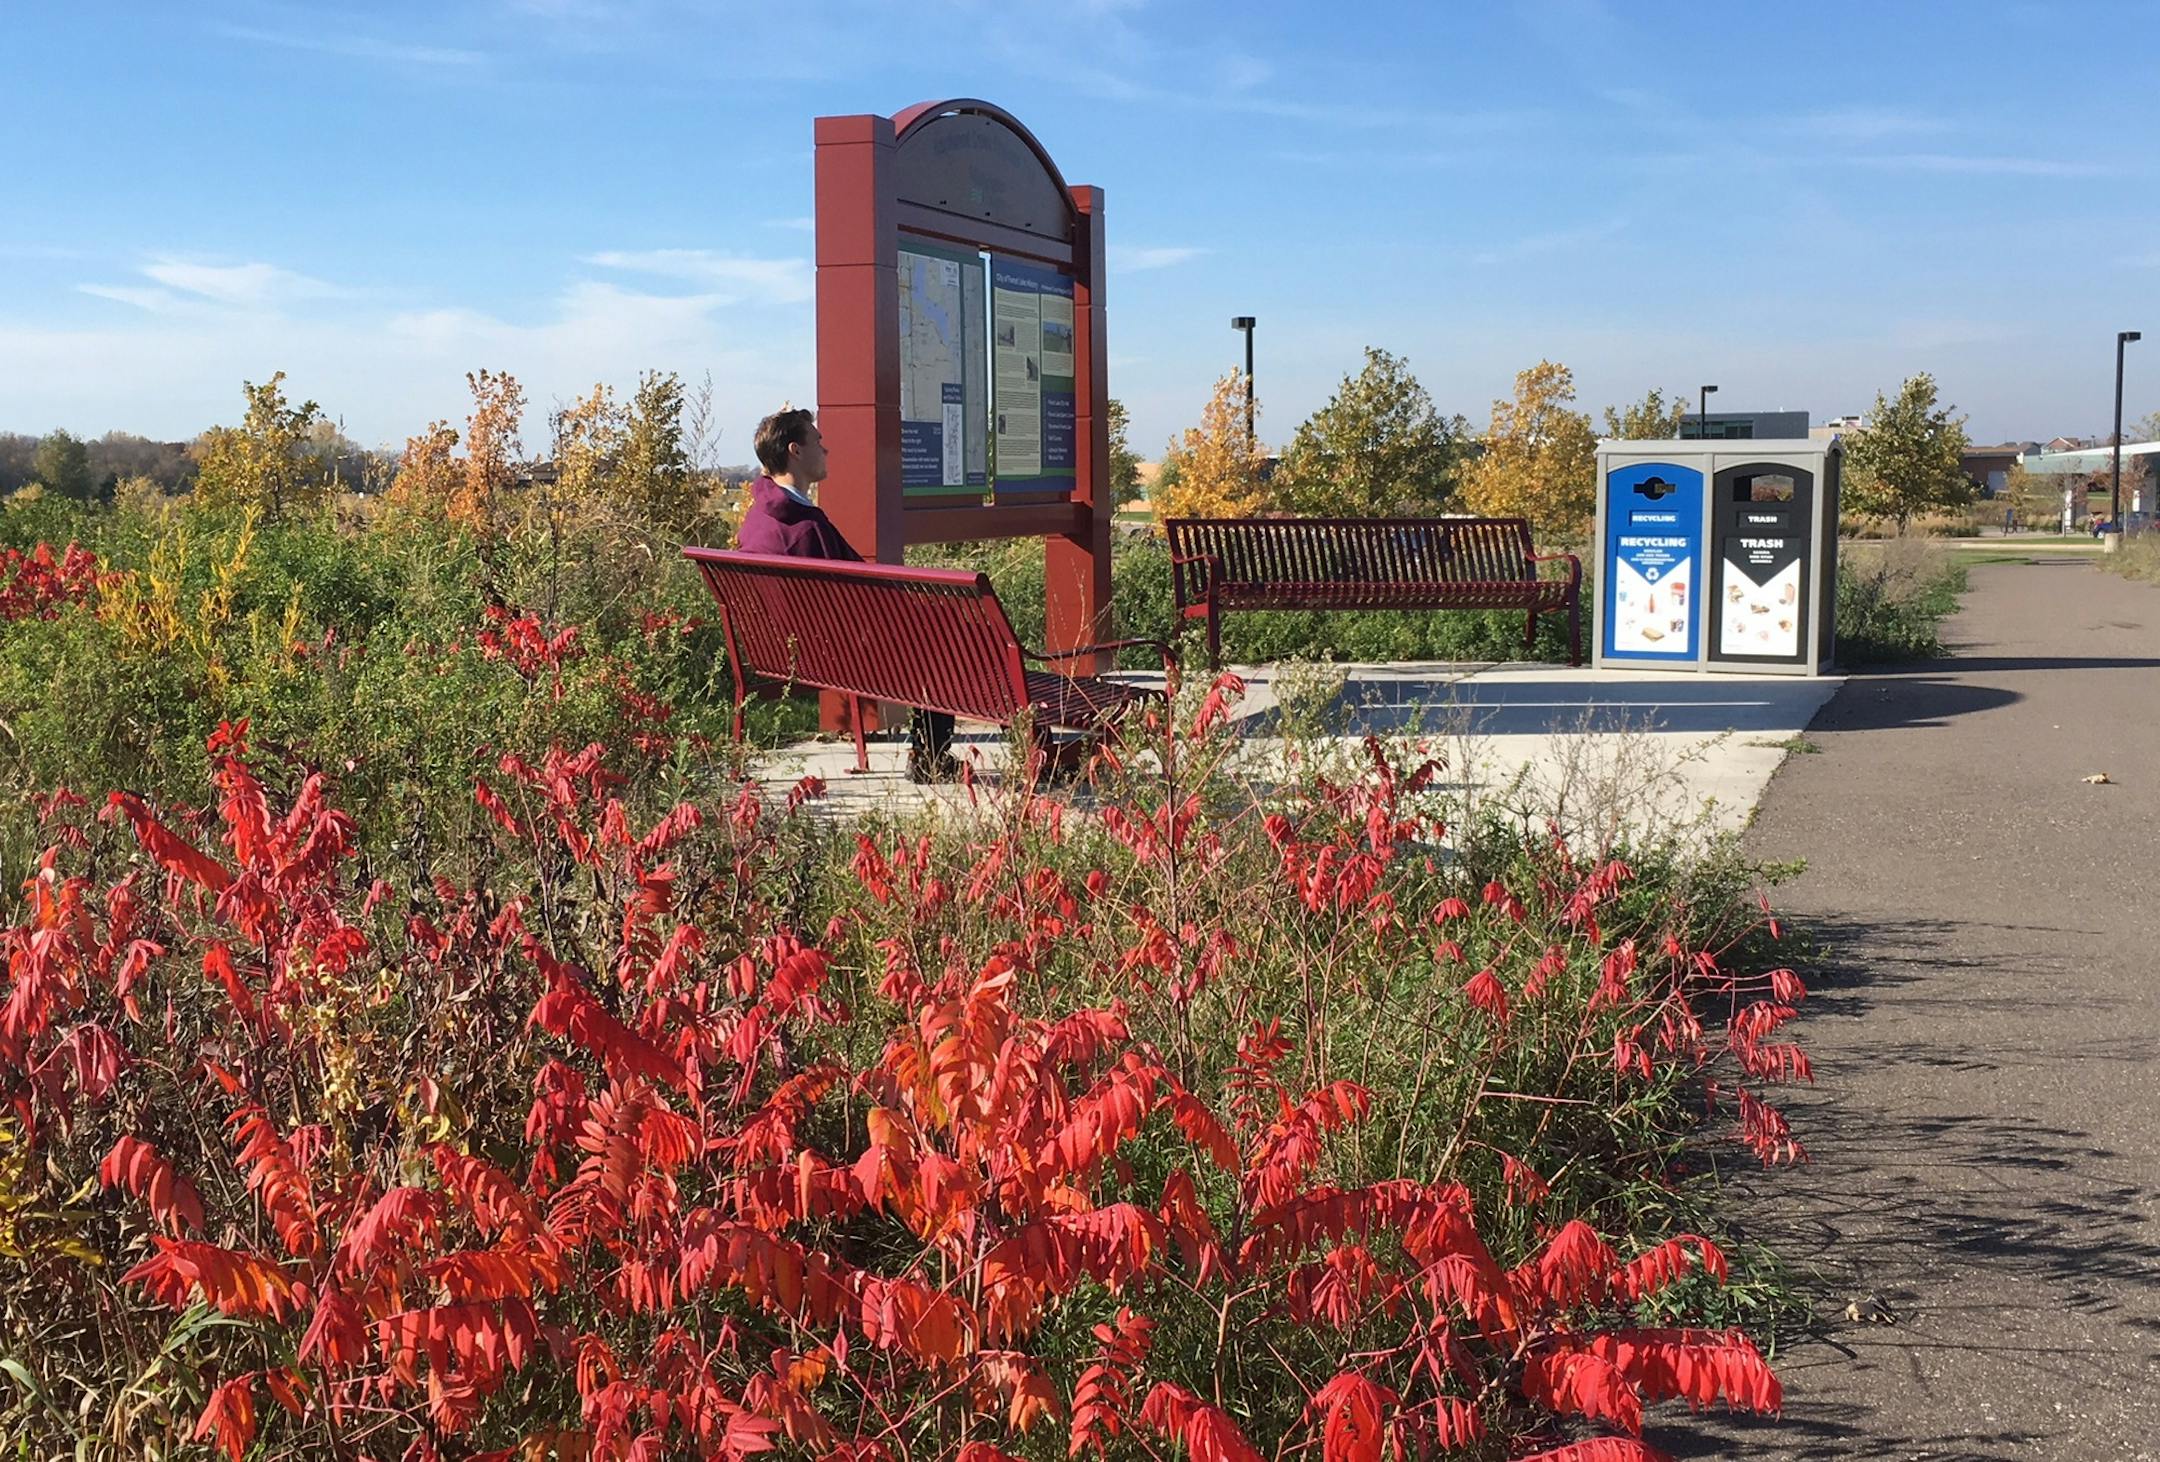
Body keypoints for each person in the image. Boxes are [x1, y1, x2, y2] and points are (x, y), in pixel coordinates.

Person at [736, 408, 959, 782]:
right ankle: (931, 758)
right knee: (943, 629)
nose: (826, 450)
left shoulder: (759, 519)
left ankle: (933, 754)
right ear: (796, 451)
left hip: (778, 648)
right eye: (818, 442)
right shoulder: (805, 529)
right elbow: (866, 591)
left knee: (934, 622)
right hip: (833, 654)